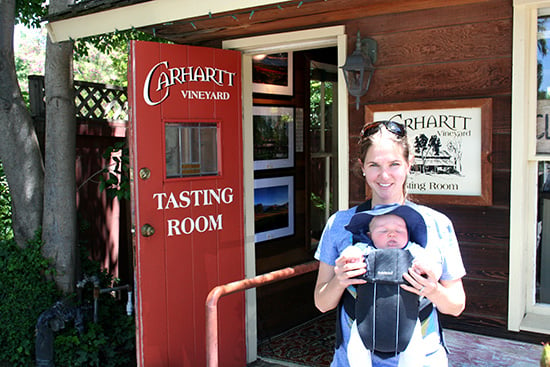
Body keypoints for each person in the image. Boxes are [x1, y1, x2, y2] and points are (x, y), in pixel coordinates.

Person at [314, 120, 466, 367]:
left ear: (409, 163)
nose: (384, 176)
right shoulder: (340, 224)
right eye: (374, 165)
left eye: (394, 164)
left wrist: (432, 289)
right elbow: (322, 303)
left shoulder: (437, 224)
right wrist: (340, 280)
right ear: (362, 167)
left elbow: (457, 305)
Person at [342, 204, 442, 367]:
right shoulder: (364, 249)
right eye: (382, 230)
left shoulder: (413, 251)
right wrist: (351, 257)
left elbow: (433, 269)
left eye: (399, 230)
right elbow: (348, 255)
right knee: (356, 347)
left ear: (408, 234)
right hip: (366, 317)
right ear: (370, 235)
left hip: (408, 317)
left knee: (414, 350)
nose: (392, 234)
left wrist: (427, 268)